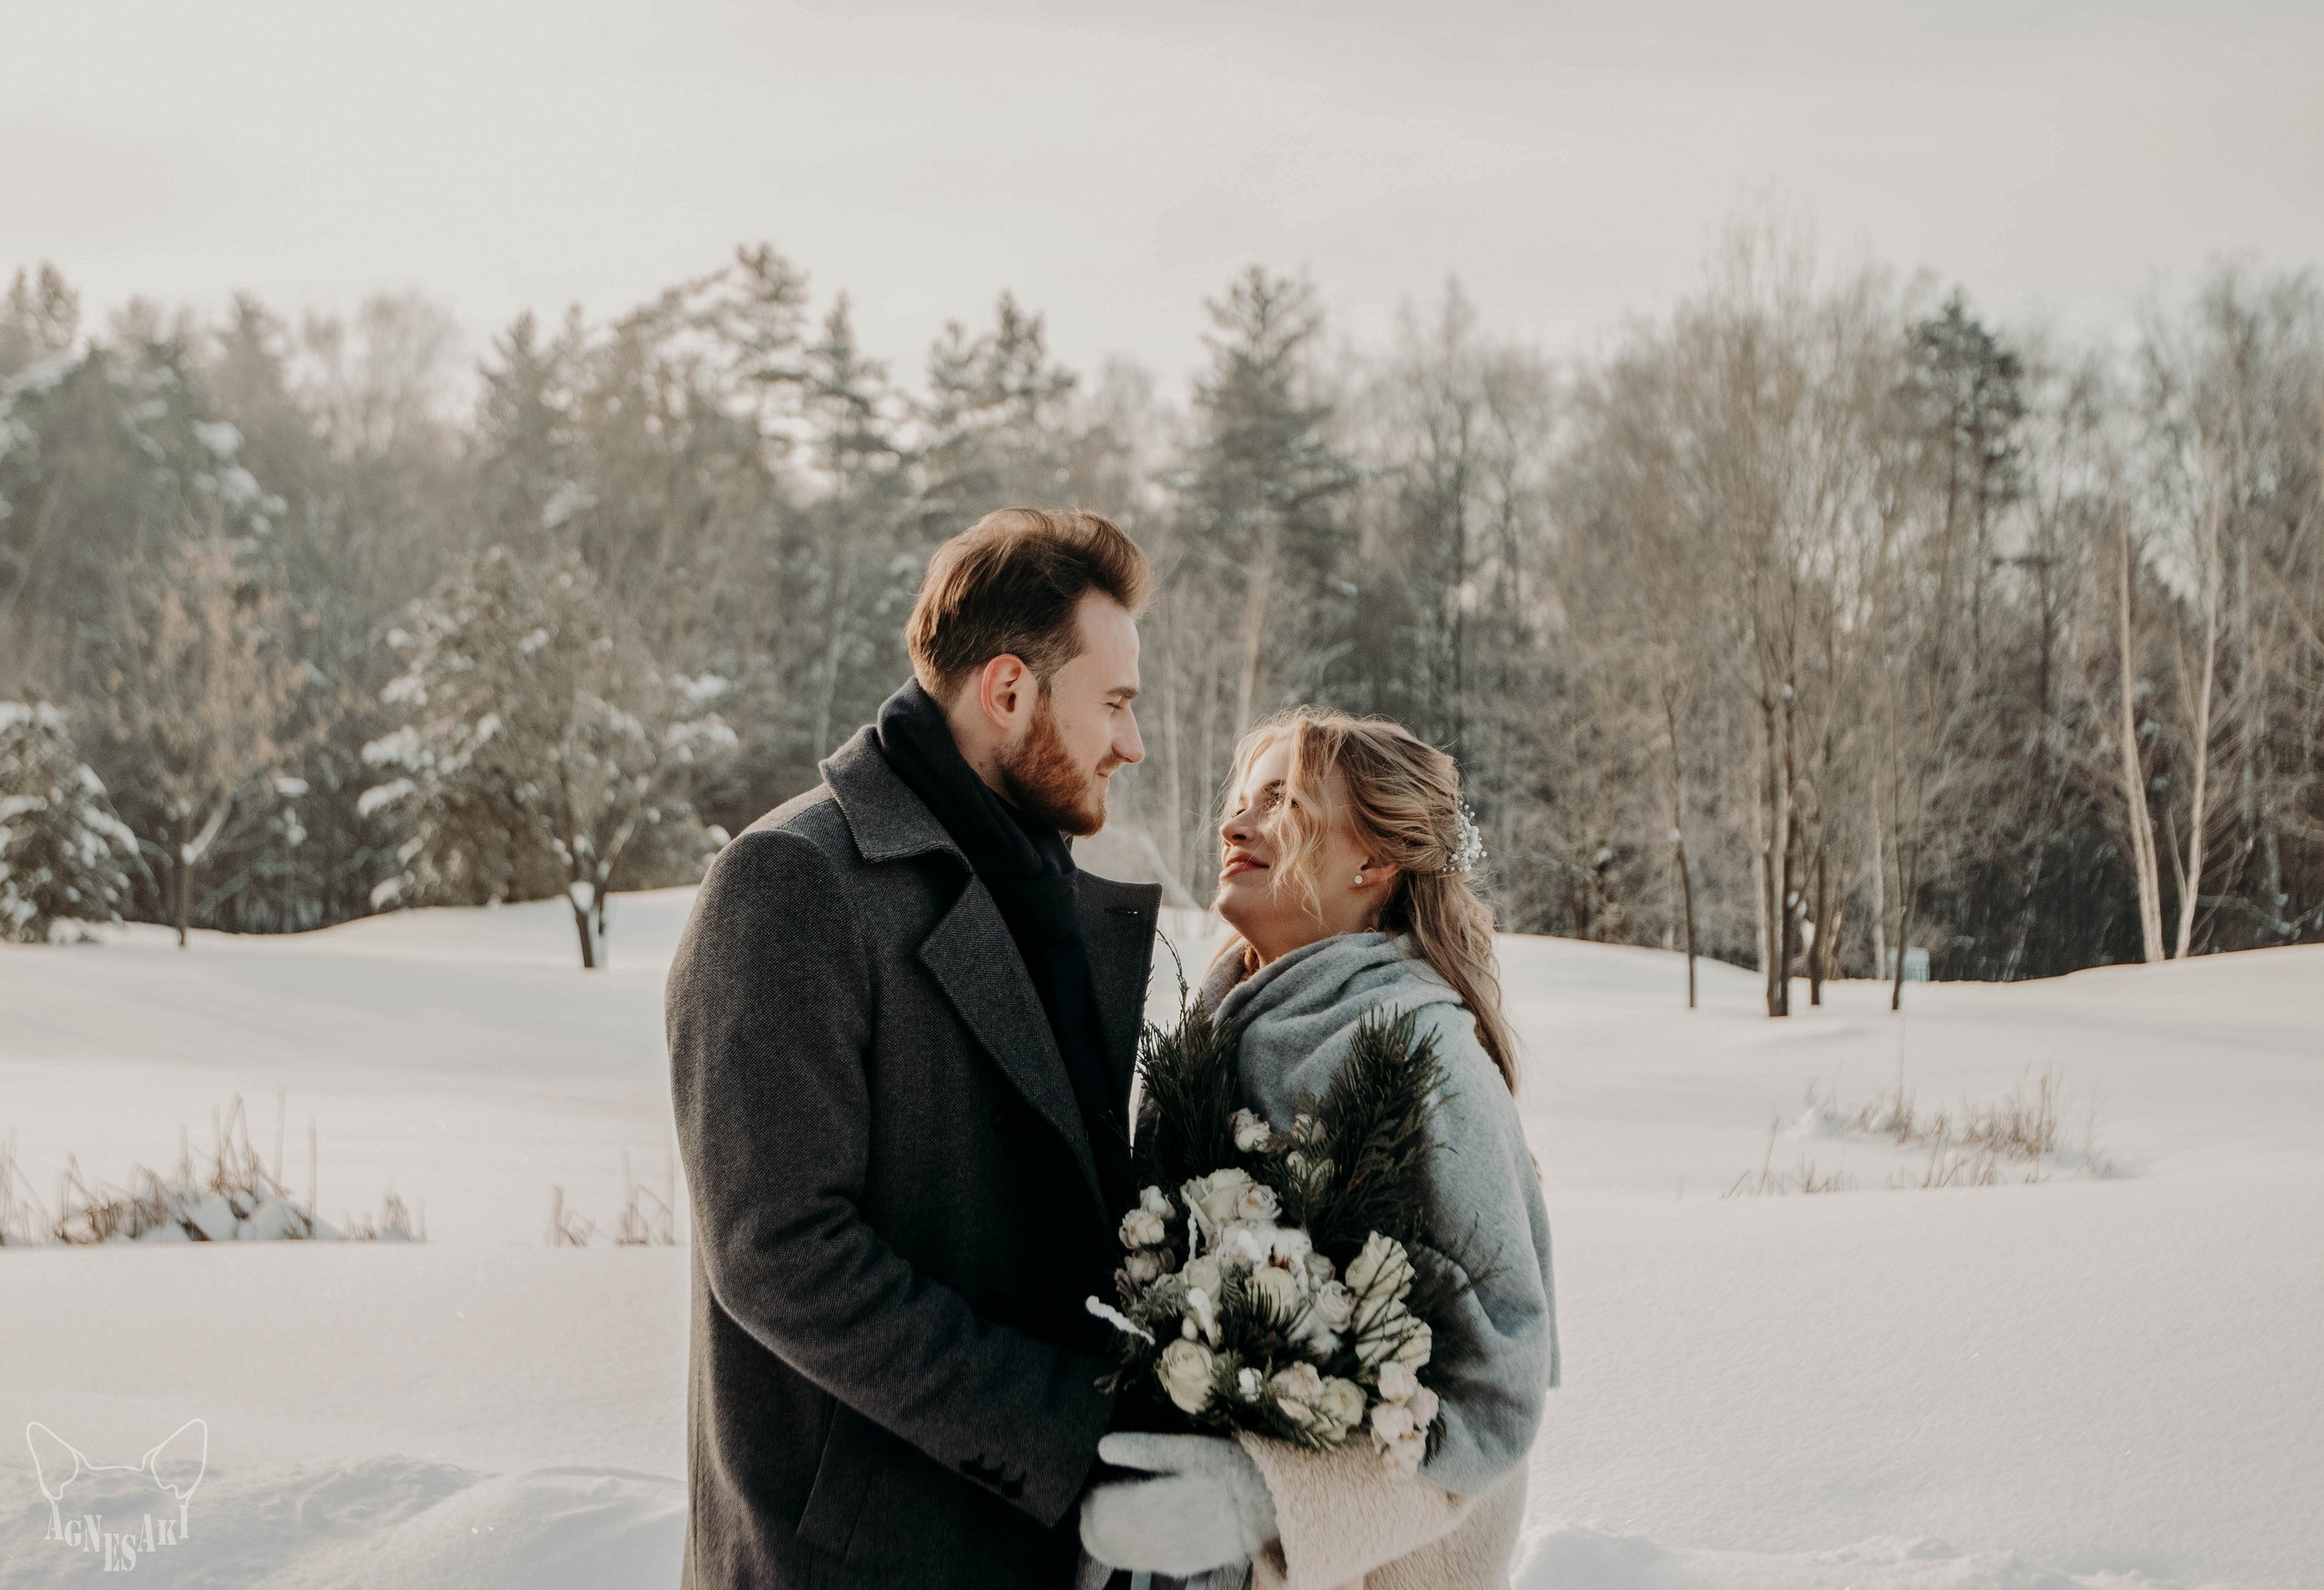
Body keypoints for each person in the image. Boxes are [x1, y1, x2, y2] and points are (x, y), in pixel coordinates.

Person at [667, 507, 1163, 1589]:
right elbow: (779, 1252)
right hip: (862, 1553)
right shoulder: (791, 882)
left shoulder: (1052, 893)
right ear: (1007, 690)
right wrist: (1064, 1433)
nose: (1132, 743)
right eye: (1114, 704)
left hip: (1043, 1547)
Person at [1079, 708, 1559, 1590]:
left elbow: (1491, 1400)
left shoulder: (1423, 1062)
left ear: (1373, 863)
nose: (1233, 824)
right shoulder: (1209, 1034)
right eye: (1237, 801)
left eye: (1282, 803)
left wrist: (1261, 1499)